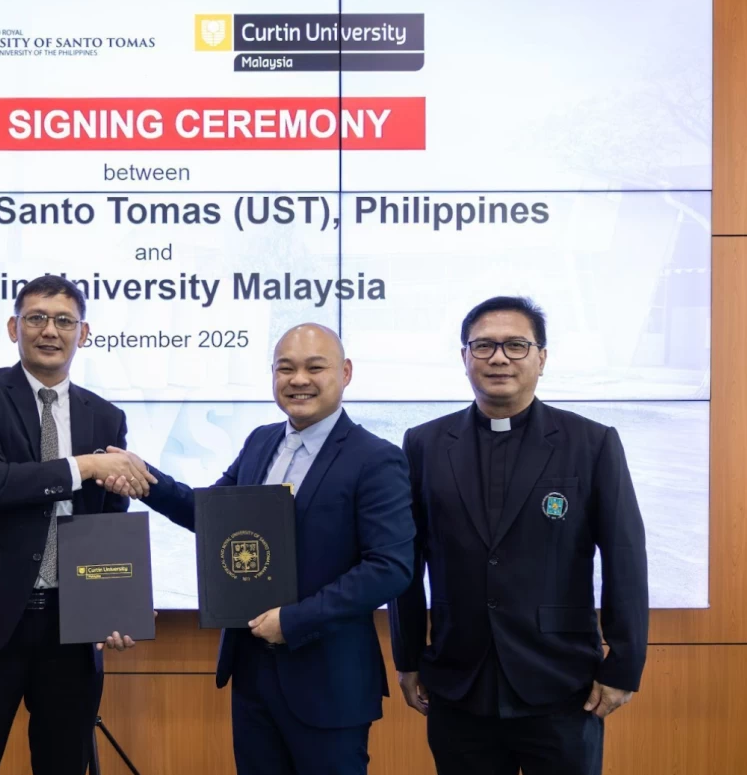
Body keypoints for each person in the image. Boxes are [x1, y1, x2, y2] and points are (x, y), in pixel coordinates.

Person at [104, 323, 415, 775]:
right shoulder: (260, 441)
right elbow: (211, 516)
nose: (298, 379)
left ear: (345, 373)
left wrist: (293, 620)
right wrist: (145, 479)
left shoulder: (376, 458)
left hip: (328, 682)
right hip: (252, 674)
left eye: (315, 367)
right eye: (285, 368)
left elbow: (389, 568)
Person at [389, 295, 649, 775]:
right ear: (464, 358)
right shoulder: (424, 443)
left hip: (561, 681)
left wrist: (624, 665)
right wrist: (407, 657)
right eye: (483, 346)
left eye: (515, 345)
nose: (499, 358)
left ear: (541, 358)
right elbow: (406, 560)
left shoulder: (591, 443)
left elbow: (625, 557)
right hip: (457, 678)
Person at [0, 275, 157, 775]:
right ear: (13, 327)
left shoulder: (106, 416)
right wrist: (84, 466)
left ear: (83, 334)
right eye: (37, 318)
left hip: (70, 627)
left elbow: (109, 519)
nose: (51, 330)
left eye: (64, 321)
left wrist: (113, 607)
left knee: (64, 763)